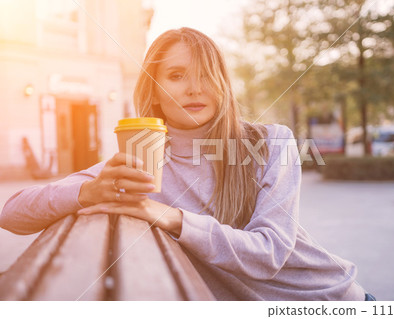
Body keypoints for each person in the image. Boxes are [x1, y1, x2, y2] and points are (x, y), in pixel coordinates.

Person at [0, 27, 372, 301]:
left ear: (223, 84)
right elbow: (12, 213)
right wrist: (87, 191)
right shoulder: (142, 160)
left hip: (334, 301)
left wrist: (169, 216)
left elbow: (270, 253)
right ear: (154, 91)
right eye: (176, 76)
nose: (195, 88)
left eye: (206, 75)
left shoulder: (271, 143)